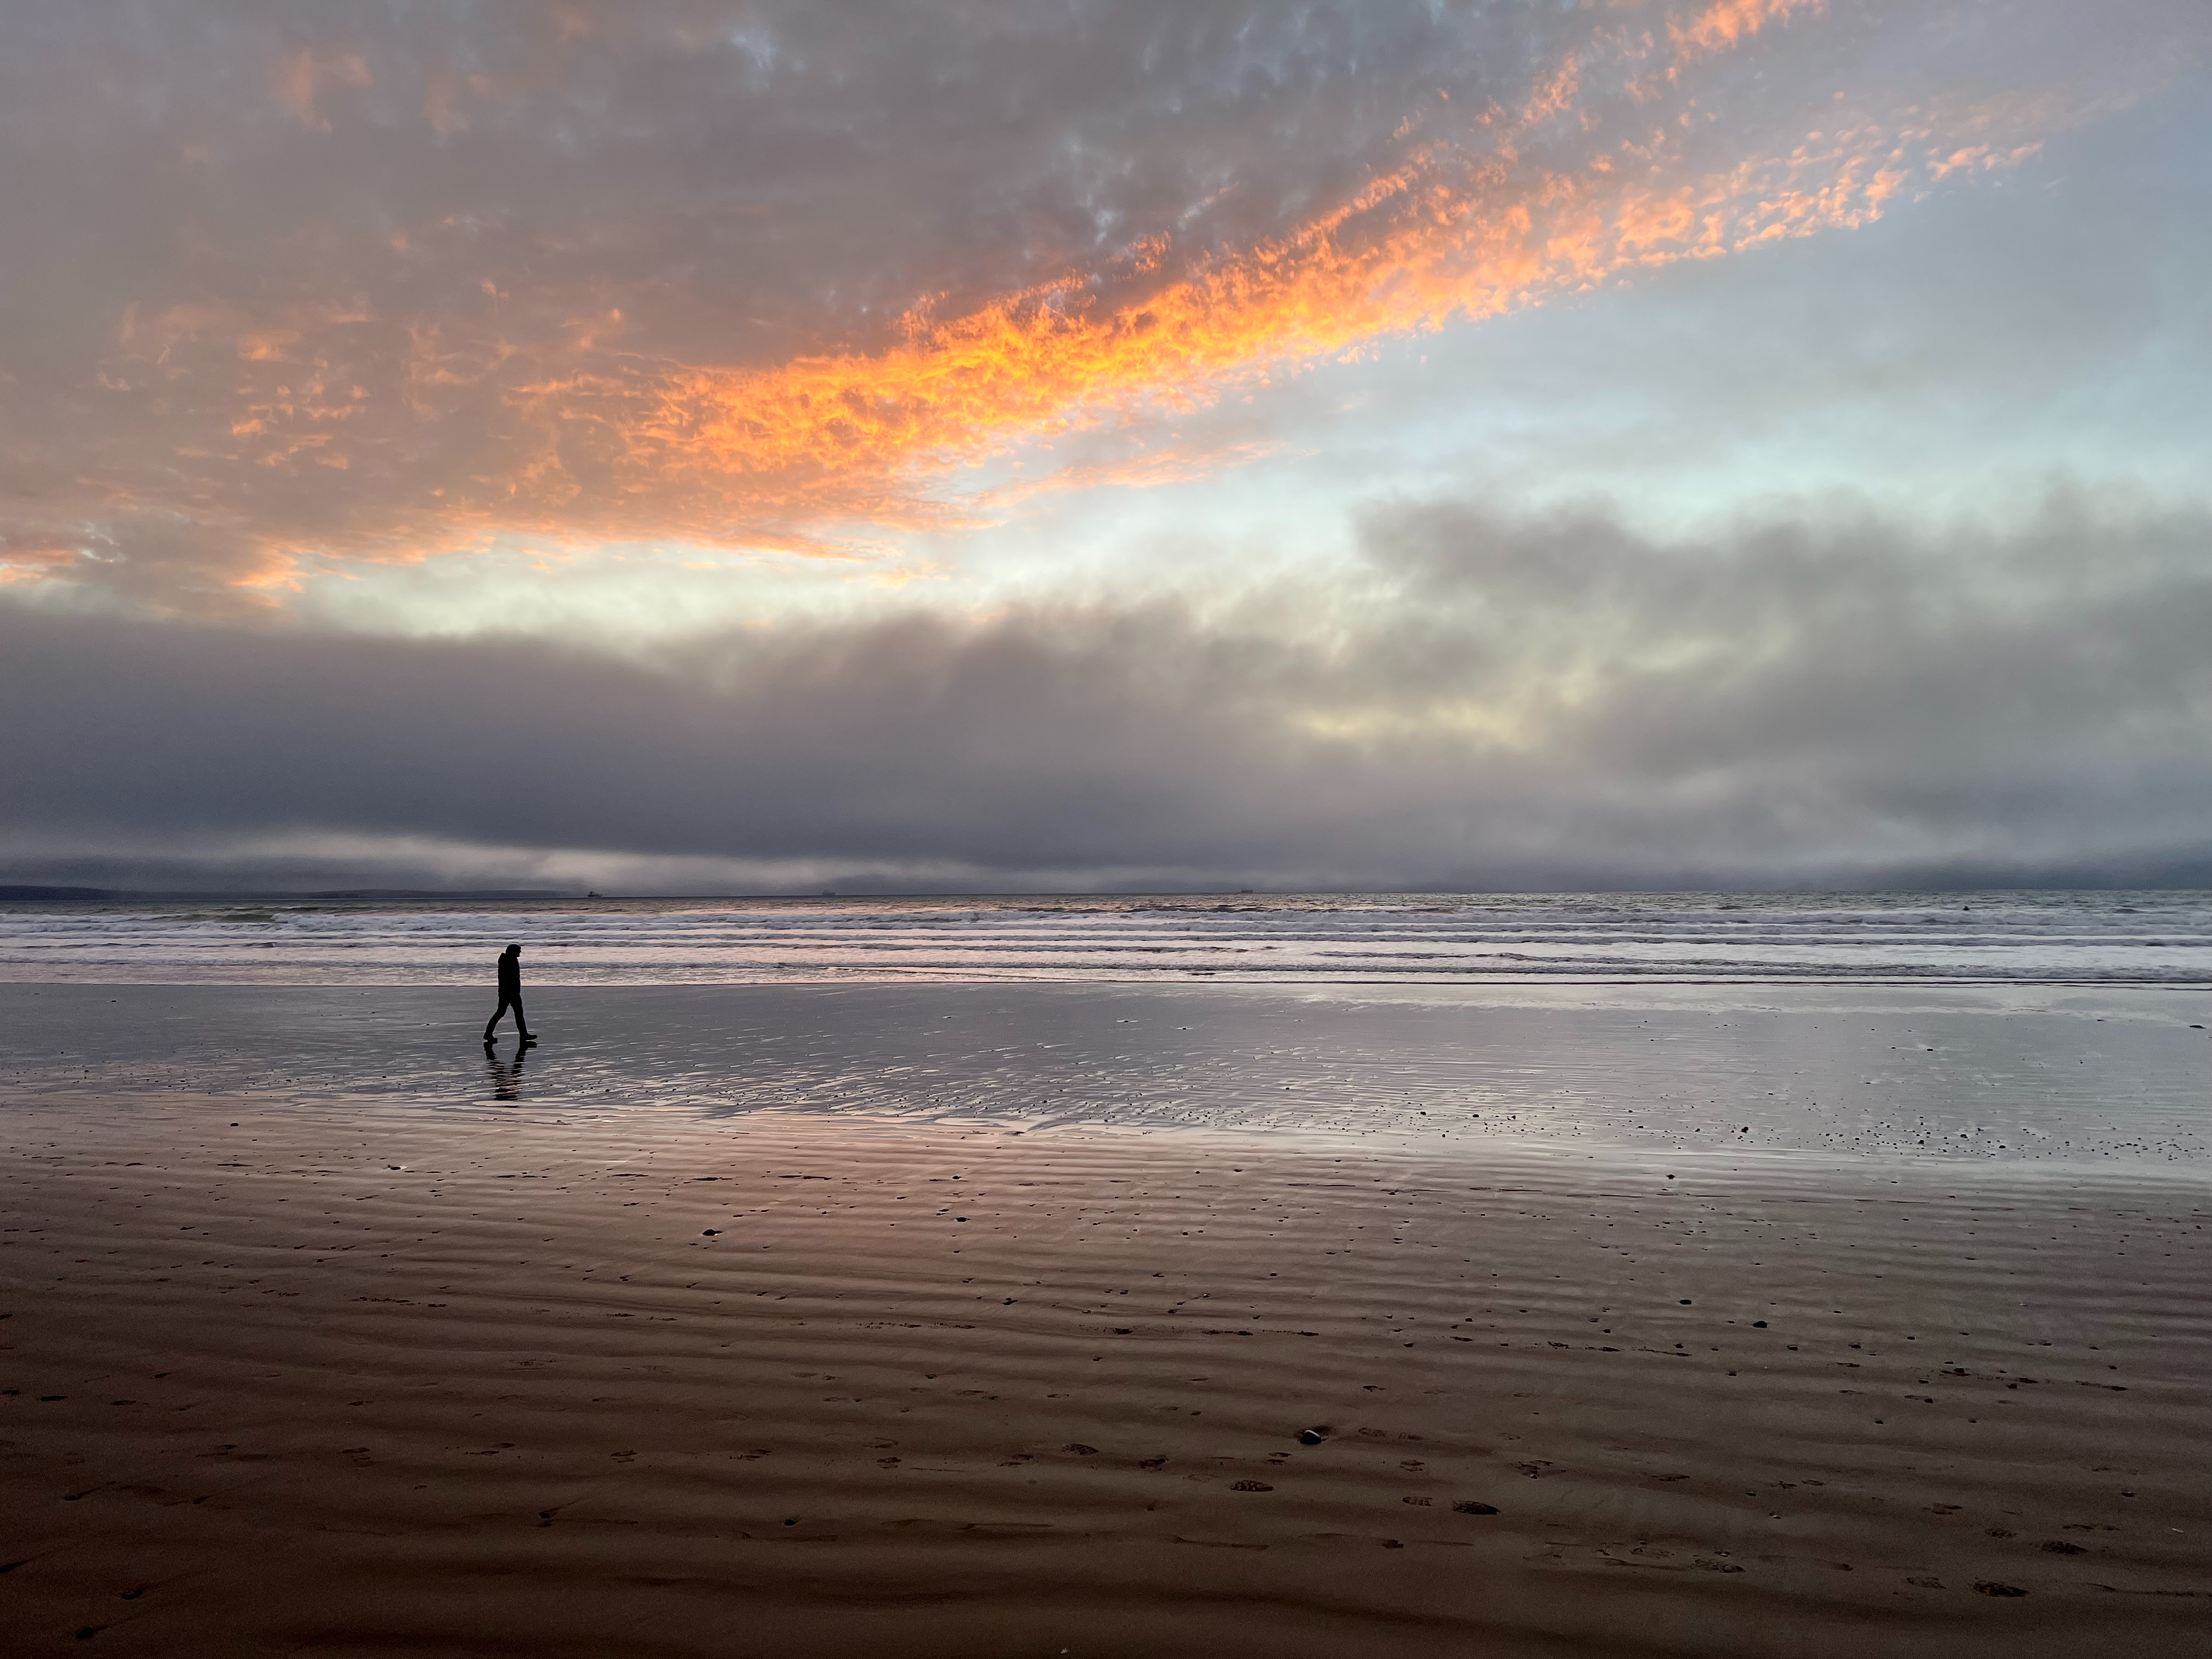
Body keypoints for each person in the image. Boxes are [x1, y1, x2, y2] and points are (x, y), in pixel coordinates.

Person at [483, 943, 535, 1044]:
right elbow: (506, 978)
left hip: (511, 991)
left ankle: (523, 1034)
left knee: (508, 1013)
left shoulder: (510, 959)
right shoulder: (507, 961)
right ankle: (523, 1034)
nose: (520, 952)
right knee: (508, 1013)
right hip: (509, 992)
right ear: (513, 951)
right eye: (518, 950)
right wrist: (511, 993)